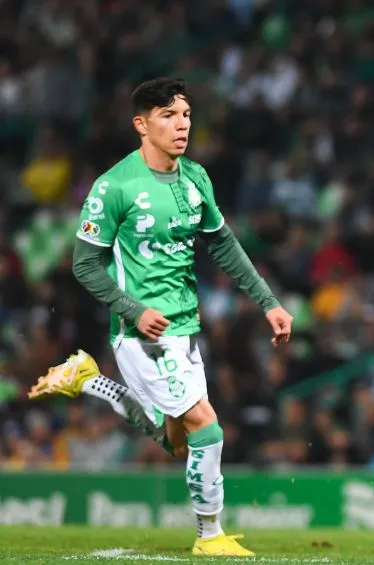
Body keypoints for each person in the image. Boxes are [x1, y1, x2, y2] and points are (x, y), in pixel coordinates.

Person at [27, 78, 293, 556]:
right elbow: (83, 263)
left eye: (186, 115)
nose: (182, 125)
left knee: (177, 443)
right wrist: (133, 310)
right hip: (141, 332)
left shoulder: (196, 179)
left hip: (186, 328)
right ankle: (209, 536)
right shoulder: (114, 186)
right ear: (141, 124)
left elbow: (224, 244)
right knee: (207, 427)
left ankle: (89, 380)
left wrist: (268, 302)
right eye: (169, 115)